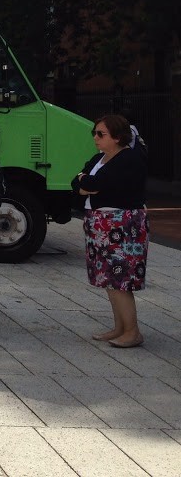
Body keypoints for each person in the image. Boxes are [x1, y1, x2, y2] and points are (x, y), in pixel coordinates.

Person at [72, 114, 148, 349]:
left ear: (117, 137)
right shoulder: (99, 158)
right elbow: (77, 184)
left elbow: (93, 184)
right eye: (94, 133)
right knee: (109, 278)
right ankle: (119, 327)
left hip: (121, 226)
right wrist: (86, 184)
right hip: (101, 224)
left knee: (120, 279)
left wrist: (87, 184)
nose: (95, 137)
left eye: (100, 134)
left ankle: (132, 331)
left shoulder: (129, 159)